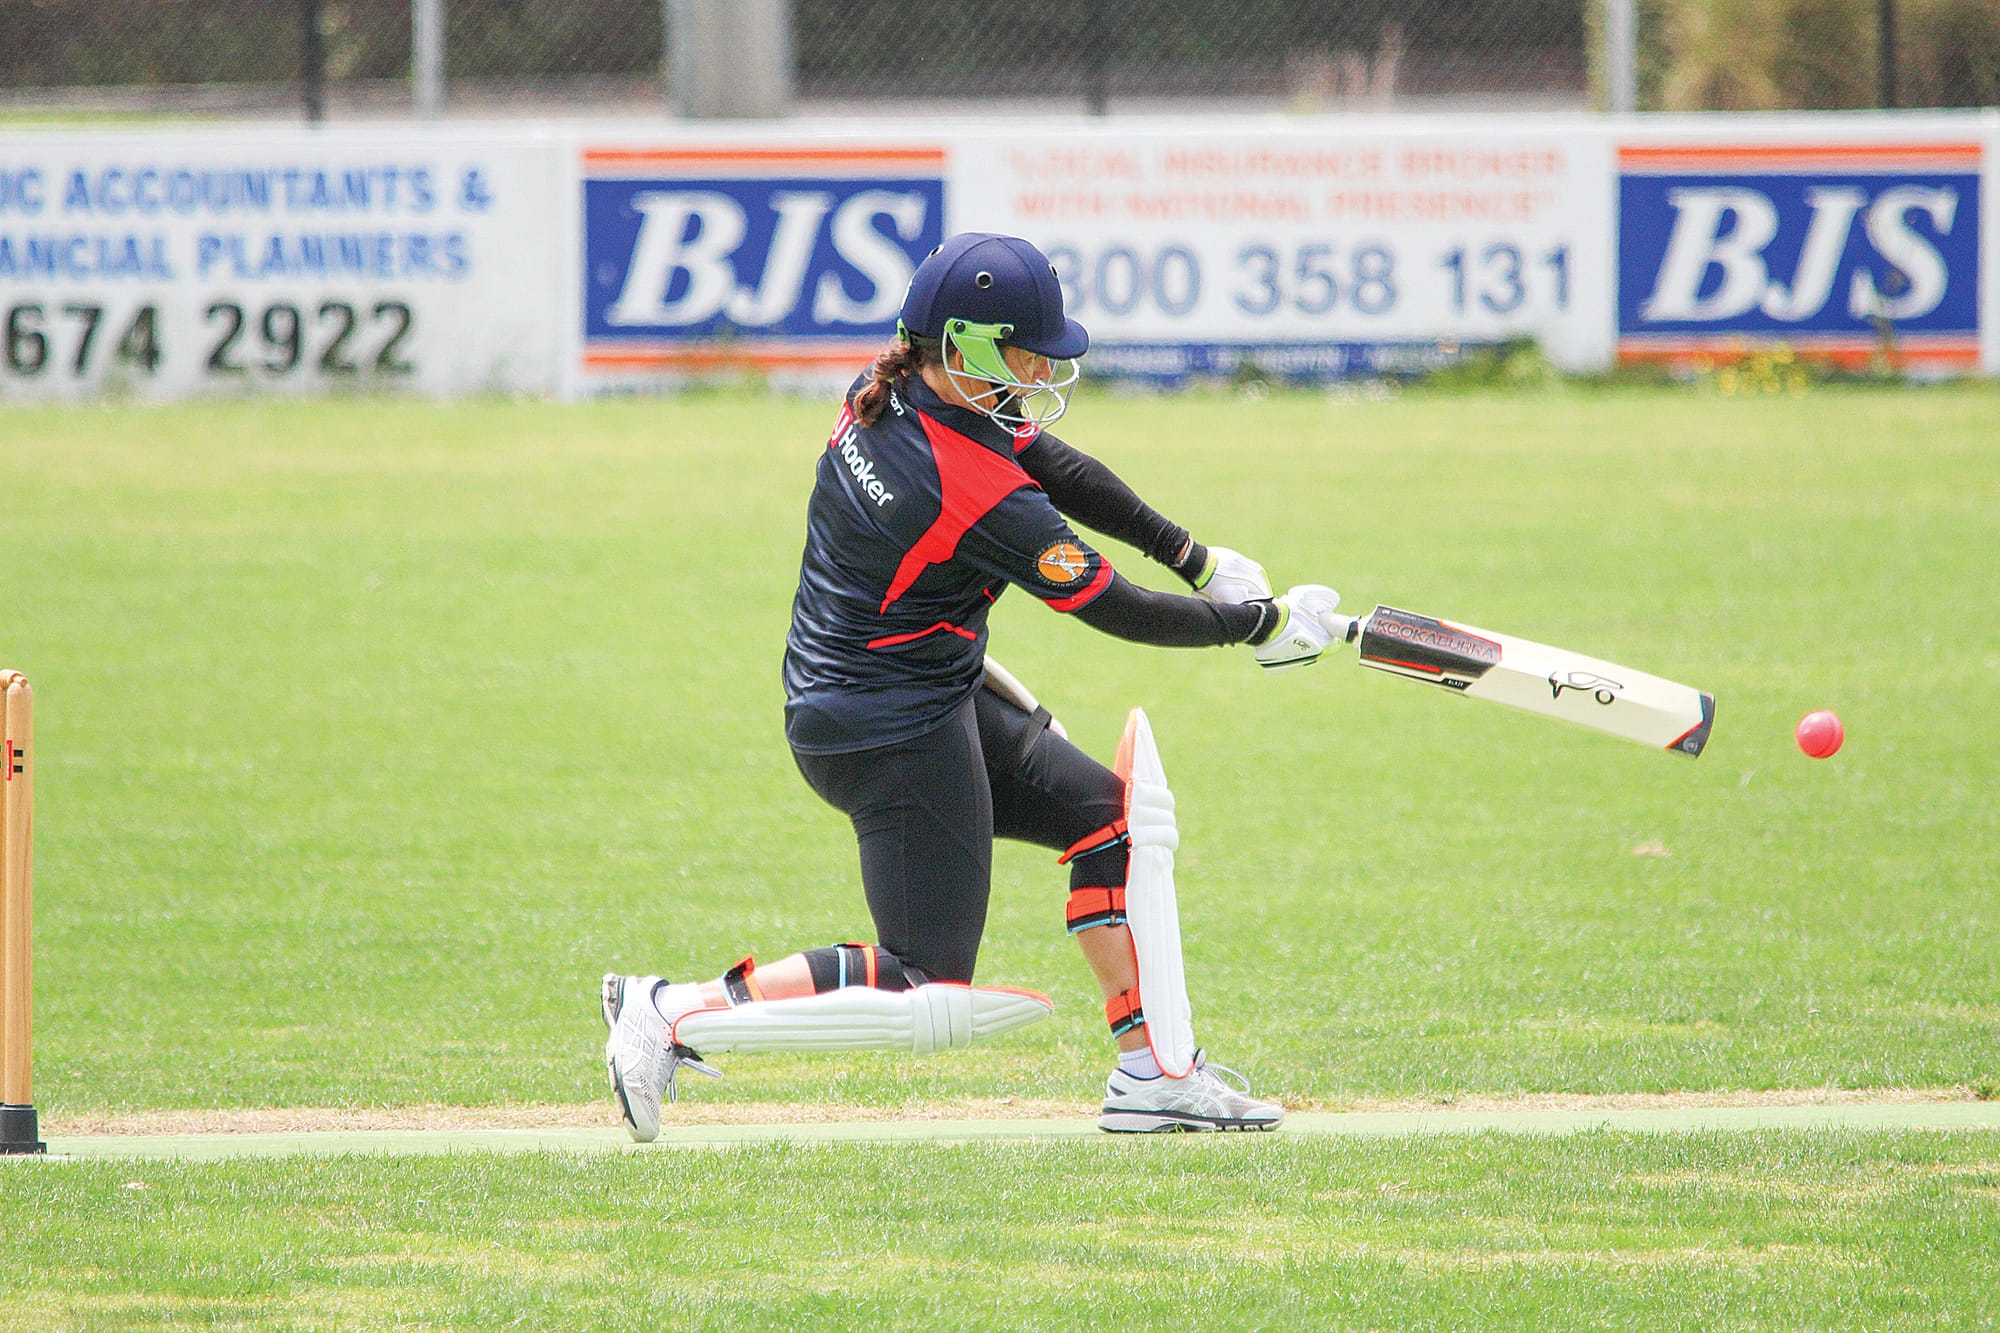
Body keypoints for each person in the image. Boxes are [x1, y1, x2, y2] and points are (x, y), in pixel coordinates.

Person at [602, 232, 1343, 1138]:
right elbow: (1112, 607)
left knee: (1107, 816)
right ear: (963, 347)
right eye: (1024, 352)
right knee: (925, 976)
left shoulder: (903, 390)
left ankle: (1154, 1073)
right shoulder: (961, 483)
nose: (1037, 370)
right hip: (884, 730)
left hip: (907, 689)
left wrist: (1195, 556)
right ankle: (667, 1010)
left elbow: (1057, 465)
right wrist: (1259, 625)